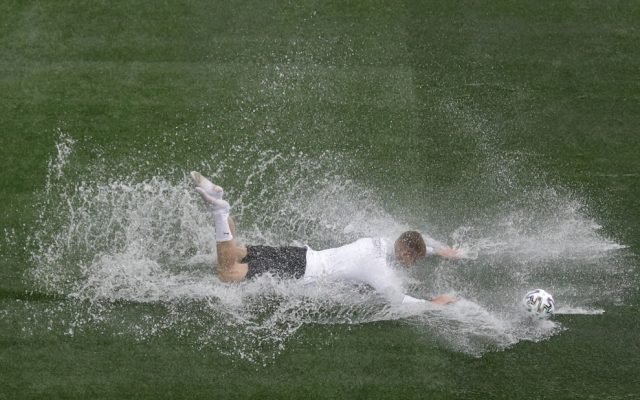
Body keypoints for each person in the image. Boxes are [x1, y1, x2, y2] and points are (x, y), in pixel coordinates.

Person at [191, 171, 459, 306]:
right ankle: (219, 210)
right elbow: (397, 300)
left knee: (236, 252)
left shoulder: (384, 241)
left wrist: (438, 250)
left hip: (301, 255)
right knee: (228, 273)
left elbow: (415, 237)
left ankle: (220, 201)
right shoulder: (377, 268)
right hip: (298, 270)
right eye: (415, 258)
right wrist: (432, 304)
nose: (412, 263)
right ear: (405, 254)